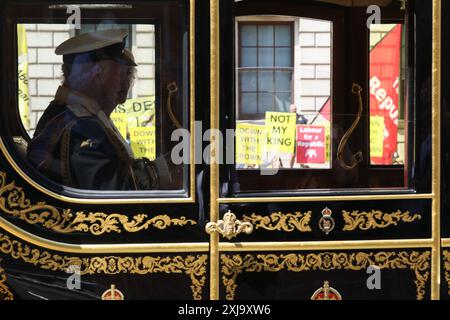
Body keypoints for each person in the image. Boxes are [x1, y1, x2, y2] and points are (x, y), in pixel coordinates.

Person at [27, 29, 159, 190]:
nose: (123, 82)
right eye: (119, 74)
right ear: (98, 75)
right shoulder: (83, 127)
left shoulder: (77, 116)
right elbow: (116, 199)